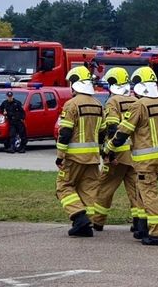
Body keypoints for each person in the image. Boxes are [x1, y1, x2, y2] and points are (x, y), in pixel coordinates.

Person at [104, 66, 158, 246]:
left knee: (149, 194)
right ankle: (142, 227)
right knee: (142, 192)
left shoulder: (139, 105)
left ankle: (157, 234)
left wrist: (108, 148)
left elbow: (123, 132)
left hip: (145, 160)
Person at [91, 67, 145, 234]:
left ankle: (97, 221)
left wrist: (110, 152)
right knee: (134, 189)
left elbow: (113, 128)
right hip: (133, 154)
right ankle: (138, 222)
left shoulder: (113, 102)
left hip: (117, 154)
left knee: (104, 187)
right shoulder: (136, 100)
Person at [55, 66, 106, 237]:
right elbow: (103, 133)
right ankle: (85, 225)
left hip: (74, 156)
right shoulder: (98, 105)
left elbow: (65, 133)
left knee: (63, 187)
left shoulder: (71, 104)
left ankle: (78, 216)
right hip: (93, 157)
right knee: (88, 190)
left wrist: (60, 156)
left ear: (75, 84)